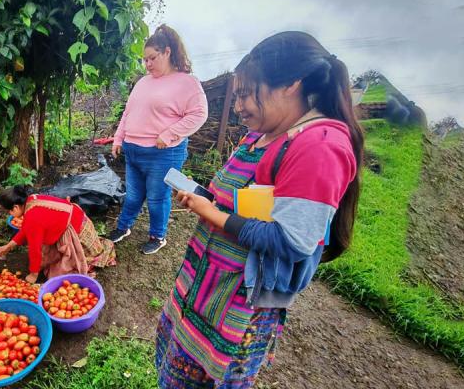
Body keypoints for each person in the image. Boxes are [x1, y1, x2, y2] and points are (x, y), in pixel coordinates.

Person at [155, 31, 363, 388]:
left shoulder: (319, 147)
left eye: (247, 94)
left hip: (238, 305)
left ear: (291, 85)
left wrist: (213, 214)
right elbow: (244, 202)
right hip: (204, 286)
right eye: (236, 95)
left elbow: (292, 240)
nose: (238, 106)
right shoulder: (260, 134)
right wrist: (205, 198)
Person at [107, 24, 208, 255]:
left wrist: (168, 134)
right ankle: (123, 228)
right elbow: (128, 112)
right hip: (133, 151)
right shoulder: (143, 82)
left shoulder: (187, 82)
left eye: (152, 58)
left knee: (156, 198)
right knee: (132, 195)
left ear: (167, 52)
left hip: (162, 153)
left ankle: (157, 235)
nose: (147, 64)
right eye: (145, 60)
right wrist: (118, 138)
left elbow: (199, 114)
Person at [0, 186, 116, 283]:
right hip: (78, 218)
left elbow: (35, 250)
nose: (9, 213)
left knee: (60, 271)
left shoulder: (32, 219)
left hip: (77, 230)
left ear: (15, 207)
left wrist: (33, 274)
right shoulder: (32, 199)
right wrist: (8, 246)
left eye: (9, 211)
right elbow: (26, 230)